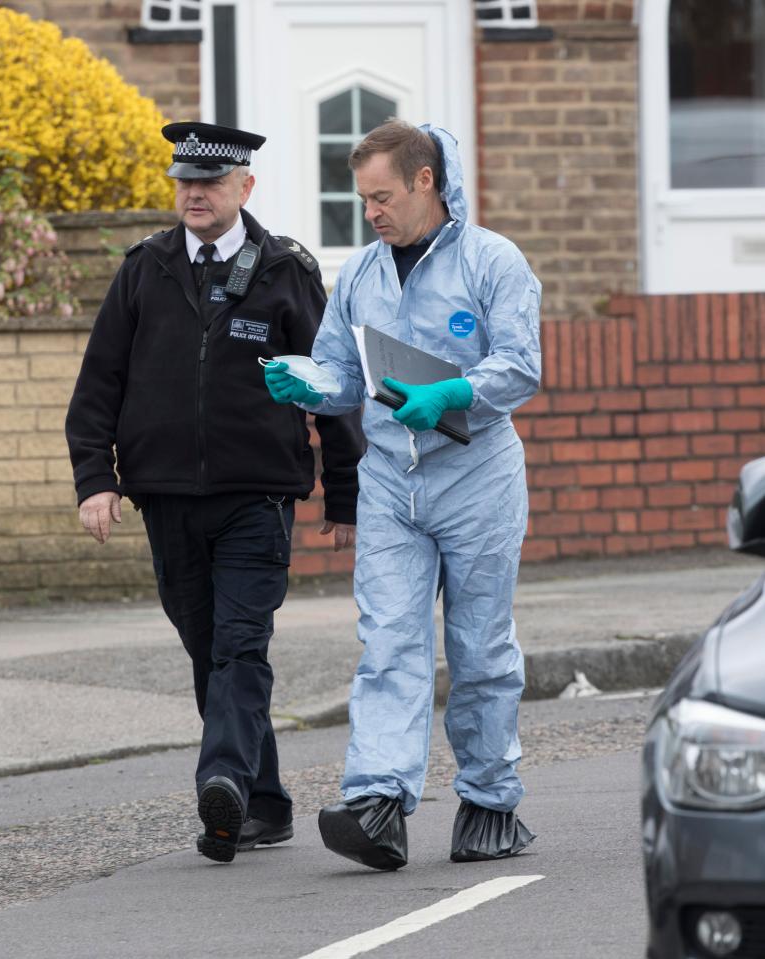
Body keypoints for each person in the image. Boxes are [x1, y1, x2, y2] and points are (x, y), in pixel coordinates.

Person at [65, 122, 364, 865]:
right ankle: (261, 802)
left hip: (256, 497)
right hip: (163, 496)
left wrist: (346, 493)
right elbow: (99, 383)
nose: (194, 194)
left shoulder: (285, 270)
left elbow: (334, 385)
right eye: (185, 182)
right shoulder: (145, 269)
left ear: (245, 188)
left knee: (239, 643)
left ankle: (222, 778)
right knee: (205, 646)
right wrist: (95, 480)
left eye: (210, 183)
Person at [265, 120, 541, 870]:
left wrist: (454, 390)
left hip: (476, 476)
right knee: (389, 640)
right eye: (363, 199)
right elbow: (342, 373)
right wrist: (308, 383)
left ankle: (489, 800)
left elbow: (521, 365)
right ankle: (378, 801)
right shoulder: (360, 274)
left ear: (426, 181)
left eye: (382, 196)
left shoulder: (493, 261)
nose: (372, 212)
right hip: (392, 480)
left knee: (478, 646)